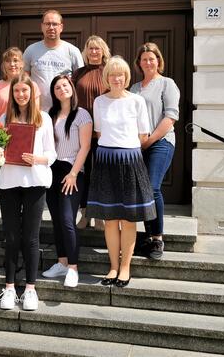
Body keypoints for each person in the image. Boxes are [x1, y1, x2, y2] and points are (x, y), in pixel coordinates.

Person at [87, 56, 156, 288]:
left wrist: (126, 150)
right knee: (109, 220)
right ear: (107, 77)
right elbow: (98, 133)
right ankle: (113, 267)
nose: (117, 78)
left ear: (126, 78)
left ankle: (125, 268)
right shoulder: (99, 102)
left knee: (128, 220)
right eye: (112, 74)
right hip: (106, 161)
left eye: (121, 75)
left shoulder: (137, 101)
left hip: (130, 160)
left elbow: (143, 136)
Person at [0, 73, 57, 311]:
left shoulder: (44, 119)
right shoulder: (3, 119)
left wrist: (37, 159)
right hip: (9, 182)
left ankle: (30, 288)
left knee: (31, 237)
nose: (21, 95)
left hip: (36, 183)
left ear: (32, 93)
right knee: (11, 237)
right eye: (17, 91)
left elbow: (52, 154)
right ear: (12, 94)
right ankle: (9, 288)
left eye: (25, 91)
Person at [131, 43, 180, 260]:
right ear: (139, 63)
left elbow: (170, 117)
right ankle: (149, 237)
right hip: (138, 145)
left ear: (158, 61)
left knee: (152, 187)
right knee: (142, 190)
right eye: (144, 59)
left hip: (160, 142)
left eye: (152, 59)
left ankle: (158, 238)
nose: (148, 62)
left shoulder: (167, 84)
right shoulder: (134, 88)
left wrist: (149, 140)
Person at [42, 74, 92, 288]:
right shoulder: (49, 115)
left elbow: (85, 147)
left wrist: (73, 173)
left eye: (65, 85)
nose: (62, 89)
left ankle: (73, 267)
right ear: (53, 93)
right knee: (55, 218)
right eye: (57, 88)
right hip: (51, 169)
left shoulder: (82, 115)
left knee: (66, 219)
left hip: (71, 170)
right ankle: (62, 262)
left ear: (71, 87)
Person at [71, 35, 111, 230]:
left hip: (105, 133)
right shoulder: (78, 73)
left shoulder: (109, 73)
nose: (94, 52)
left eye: (97, 48)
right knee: (83, 173)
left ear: (103, 51)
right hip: (82, 131)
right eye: (90, 49)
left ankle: (101, 215)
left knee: (101, 173)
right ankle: (85, 214)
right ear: (85, 52)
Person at [23, 10, 84, 112]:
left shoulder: (72, 51)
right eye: (47, 24)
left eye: (54, 24)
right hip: (37, 111)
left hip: (65, 113)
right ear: (42, 26)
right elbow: (23, 80)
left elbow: (80, 83)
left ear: (61, 27)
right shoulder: (31, 50)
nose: (51, 27)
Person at [0, 46, 40, 122]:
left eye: (15, 60)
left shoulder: (32, 85)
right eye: (8, 61)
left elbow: (36, 111)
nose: (12, 64)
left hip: (26, 129)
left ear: (22, 63)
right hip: (1, 130)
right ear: (4, 65)